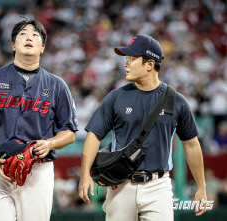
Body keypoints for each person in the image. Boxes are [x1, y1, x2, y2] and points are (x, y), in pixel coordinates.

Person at [78, 34, 207, 221]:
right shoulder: (116, 97)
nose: (126, 63)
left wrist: (201, 188)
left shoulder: (176, 101)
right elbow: (94, 136)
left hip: (158, 186)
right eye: (126, 59)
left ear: (150, 64)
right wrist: (84, 175)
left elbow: (191, 145)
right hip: (119, 184)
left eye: (131, 59)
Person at [0, 19, 78, 221]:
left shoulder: (57, 85)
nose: (29, 36)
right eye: (22, 33)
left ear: (42, 47)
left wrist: (50, 143)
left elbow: (70, 132)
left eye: (35, 35)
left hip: (38, 169)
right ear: (13, 45)